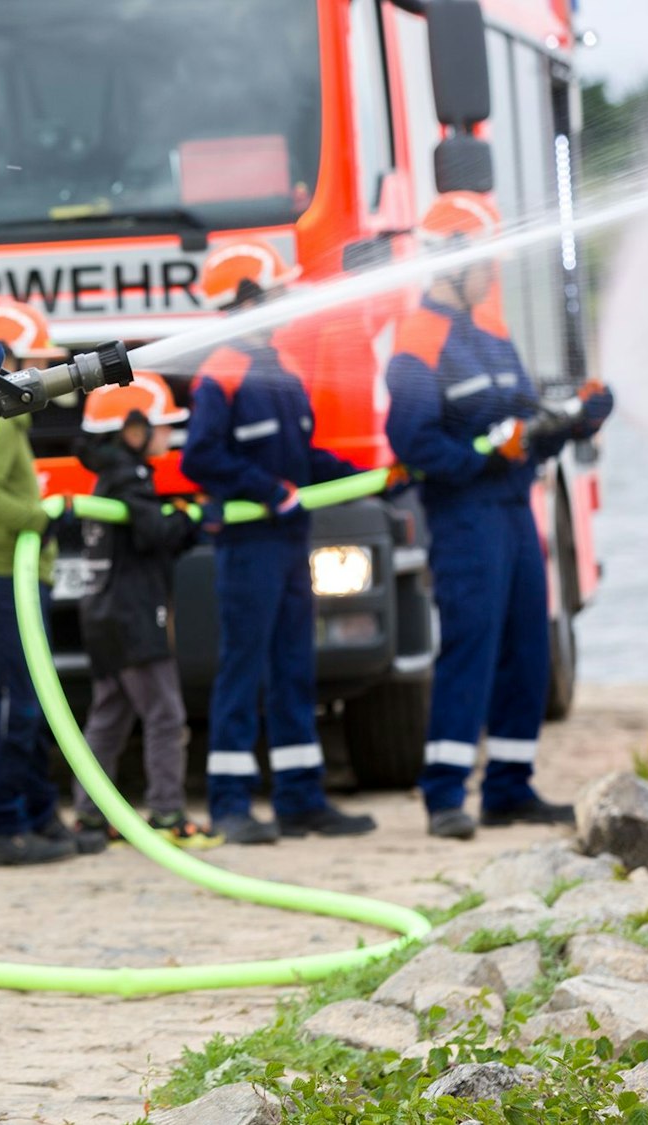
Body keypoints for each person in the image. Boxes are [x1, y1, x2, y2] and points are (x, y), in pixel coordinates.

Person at [385, 191, 614, 840]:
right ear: (454, 262)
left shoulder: (490, 332)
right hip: (464, 517)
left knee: (526, 647)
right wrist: (485, 455)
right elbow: (413, 441)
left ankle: (510, 787)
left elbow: (525, 421)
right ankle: (444, 793)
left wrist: (576, 418)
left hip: (514, 511)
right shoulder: (419, 340)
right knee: (471, 647)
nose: (493, 271)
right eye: (485, 260)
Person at [180, 238, 379, 845]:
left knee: (296, 667)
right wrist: (268, 491)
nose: (285, 301)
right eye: (274, 291)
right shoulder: (223, 374)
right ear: (247, 301)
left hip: (290, 543)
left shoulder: (279, 367)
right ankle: (231, 804)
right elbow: (200, 459)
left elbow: (304, 455)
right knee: (244, 669)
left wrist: (366, 480)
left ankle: (301, 800)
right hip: (249, 548)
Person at [0, 300, 103, 867]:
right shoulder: (1, 422)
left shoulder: (16, 421)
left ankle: (41, 821)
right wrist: (41, 519)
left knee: (33, 704)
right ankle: (3, 828)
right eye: (37, 363)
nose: (48, 375)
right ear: (8, 365)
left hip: (19, 583)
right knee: (14, 707)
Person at [72, 371, 217, 848]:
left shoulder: (106, 479)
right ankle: (168, 815)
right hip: (134, 616)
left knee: (109, 716)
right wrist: (191, 518)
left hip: (103, 615)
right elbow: (155, 535)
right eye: (161, 426)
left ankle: (92, 816)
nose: (168, 436)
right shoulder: (130, 478)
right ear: (133, 429)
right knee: (165, 715)